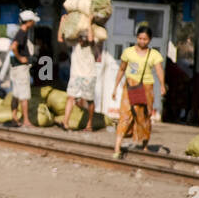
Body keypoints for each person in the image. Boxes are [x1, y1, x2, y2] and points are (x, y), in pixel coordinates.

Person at [112, 24, 166, 158]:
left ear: (150, 40)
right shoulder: (128, 52)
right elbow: (122, 69)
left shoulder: (154, 55)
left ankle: (145, 145)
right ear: (136, 38)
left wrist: (162, 85)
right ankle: (117, 146)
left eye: (145, 39)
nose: (142, 41)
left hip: (146, 88)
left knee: (145, 116)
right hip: (130, 86)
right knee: (125, 115)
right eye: (140, 38)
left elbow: (159, 70)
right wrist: (115, 87)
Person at [61, 21, 102, 131]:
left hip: (89, 76)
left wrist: (88, 22)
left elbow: (90, 39)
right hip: (75, 75)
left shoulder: (92, 45)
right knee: (71, 97)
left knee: (89, 100)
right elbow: (61, 38)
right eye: (80, 38)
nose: (81, 40)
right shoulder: (75, 44)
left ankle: (89, 124)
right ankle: (65, 122)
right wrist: (62, 22)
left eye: (83, 38)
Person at [9, 10, 38, 127]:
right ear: (29, 22)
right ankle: (26, 120)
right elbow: (14, 46)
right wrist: (21, 58)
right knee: (24, 95)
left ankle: (14, 117)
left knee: (16, 94)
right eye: (33, 21)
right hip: (21, 68)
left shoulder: (20, 32)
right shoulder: (22, 32)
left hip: (15, 68)